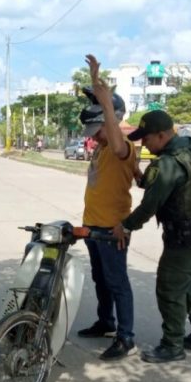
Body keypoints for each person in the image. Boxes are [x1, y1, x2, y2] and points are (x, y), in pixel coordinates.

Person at [112, 109, 191, 363]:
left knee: (169, 289)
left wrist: (125, 225)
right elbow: (165, 183)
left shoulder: (167, 164)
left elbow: (150, 206)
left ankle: (172, 345)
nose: (143, 144)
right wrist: (142, 175)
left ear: (161, 135)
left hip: (185, 238)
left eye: (147, 139)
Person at [76, 54, 138, 360]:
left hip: (114, 227)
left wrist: (107, 103)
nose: (95, 137)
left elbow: (115, 140)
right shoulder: (100, 149)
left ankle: (126, 337)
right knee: (100, 279)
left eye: (98, 129)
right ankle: (106, 322)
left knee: (117, 282)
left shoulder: (122, 149)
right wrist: (95, 84)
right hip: (94, 226)